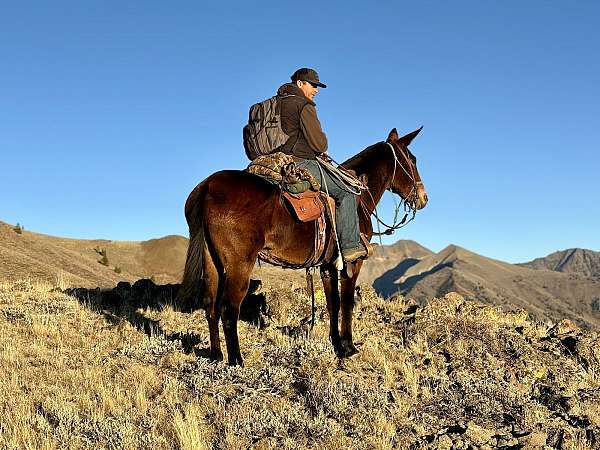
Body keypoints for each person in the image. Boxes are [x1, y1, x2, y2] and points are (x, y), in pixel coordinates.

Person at [278, 68, 367, 263]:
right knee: (348, 190)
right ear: (300, 83)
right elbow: (319, 144)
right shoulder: (304, 104)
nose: (316, 90)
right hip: (299, 162)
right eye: (313, 85)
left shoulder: (273, 103)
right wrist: (320, 143)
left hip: (271, 162)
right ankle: (350, 246)